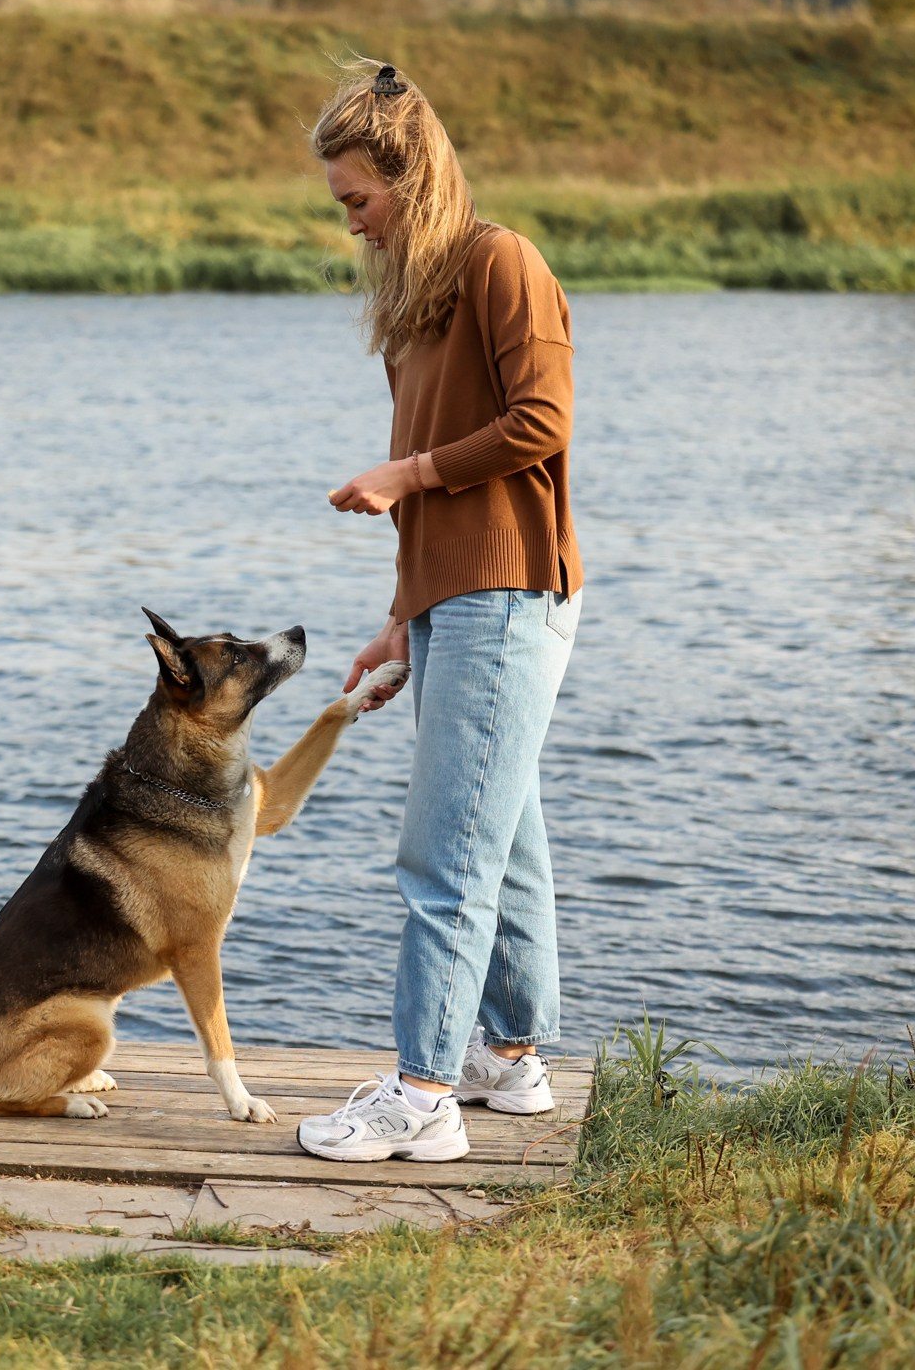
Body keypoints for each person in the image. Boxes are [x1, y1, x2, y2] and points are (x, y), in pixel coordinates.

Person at [296, 63, 583, 1163]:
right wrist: (401, 617)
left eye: (358, 199)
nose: (353, 224)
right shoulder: (413, 310)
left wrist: (406, 473)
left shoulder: (502, 264)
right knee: (502, 840)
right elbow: (440, 492)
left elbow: (540, 425)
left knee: (441, 855)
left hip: (513, 592)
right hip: (456, 600)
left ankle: (421, 1092)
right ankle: (510, 1061)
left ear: (411, 175)